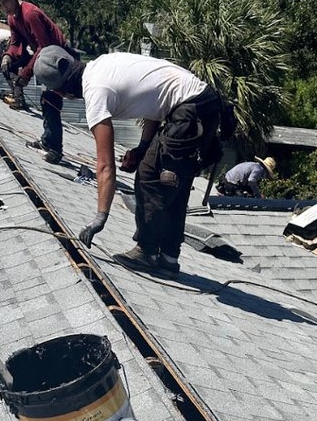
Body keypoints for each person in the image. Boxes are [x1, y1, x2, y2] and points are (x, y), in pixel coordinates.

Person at [34, 46, 222, 280]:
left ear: (62, 93)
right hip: (202, 103)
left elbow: (105, 165)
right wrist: (142, 148)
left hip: (190, 109)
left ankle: (147, 252)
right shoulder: (102, 64)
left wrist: (100, 218)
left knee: (149, 178)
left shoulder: (96, 93)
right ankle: (169, 259)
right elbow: (155, 101)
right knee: (175, 181)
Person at [0, 0, 70, 159]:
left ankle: (54, 150)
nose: (5, 7)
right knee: (45, 100)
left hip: (60, 59)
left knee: (50, 101)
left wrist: (25, 74)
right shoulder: (12, 18)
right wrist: (8, 56)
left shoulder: (29, 14)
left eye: (6, 1)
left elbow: (44, 47)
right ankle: (47, 140)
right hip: (47, 58)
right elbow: (16, 42)